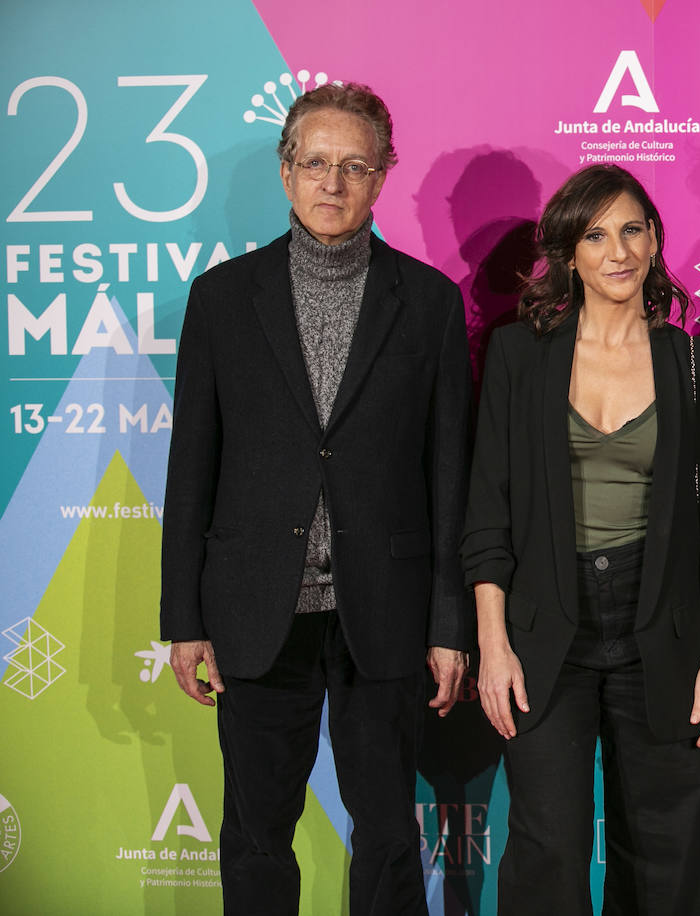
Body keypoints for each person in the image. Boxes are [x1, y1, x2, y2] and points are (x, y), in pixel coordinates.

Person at [159, 82, 471, 915]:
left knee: (387, 835)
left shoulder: (432, 304)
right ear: (287, 171)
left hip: (386, 612)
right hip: (259, 609)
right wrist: (183, 619)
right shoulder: (222, 300)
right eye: (315, 163)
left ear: (382, 176)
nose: (333, 183)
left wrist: (449, 625)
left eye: (354, 166)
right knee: (257, 832)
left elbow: (450, 478)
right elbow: (192, 467)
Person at [463, 164, 700, 914]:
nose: (617, 250)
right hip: (545, 629)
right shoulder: (520, 354)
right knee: (548, 850)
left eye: (632, 229)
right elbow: (487, 512)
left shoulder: (693, 362)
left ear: (653, 239)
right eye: (596, 234)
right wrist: (493, 644)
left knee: (667, 855)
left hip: (665, 630)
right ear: (569, 252)